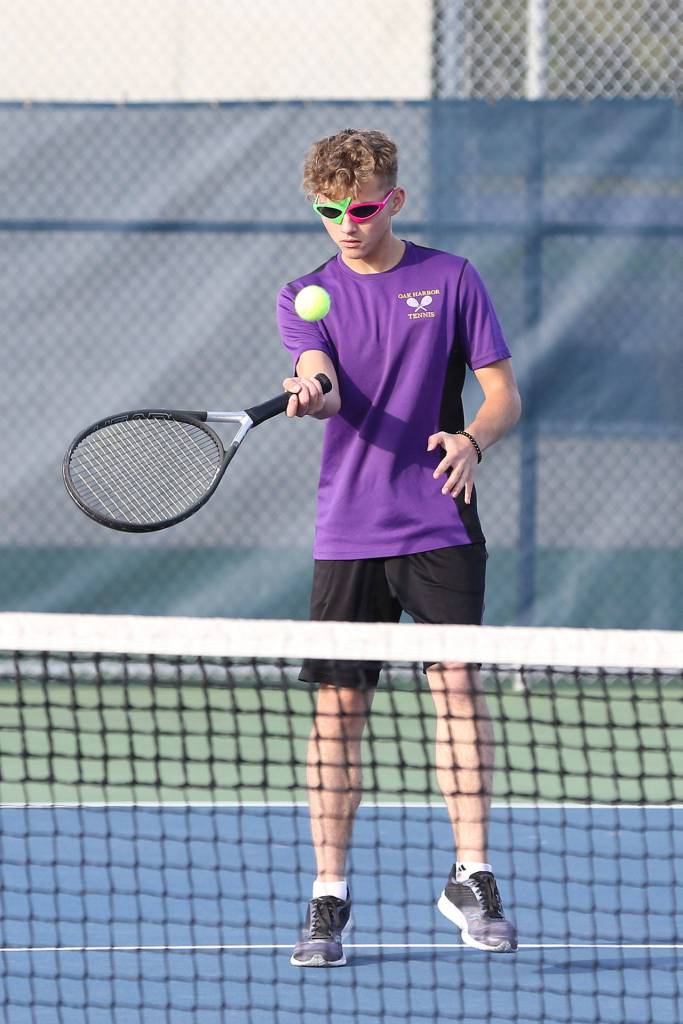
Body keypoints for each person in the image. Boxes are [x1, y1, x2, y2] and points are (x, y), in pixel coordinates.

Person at [276, 128, 521, 967]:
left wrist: (472, 441)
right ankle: (328, 895)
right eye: (329, 210)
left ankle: (471, 875)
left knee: (455, 686)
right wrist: (312, 391)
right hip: (348, 531)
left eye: (363, 207)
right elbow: (325, 377)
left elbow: (502, 395)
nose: (347, 223)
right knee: (339, 710)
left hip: (439, 520)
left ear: (395, 200)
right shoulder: (304, 294)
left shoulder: (450, 278)